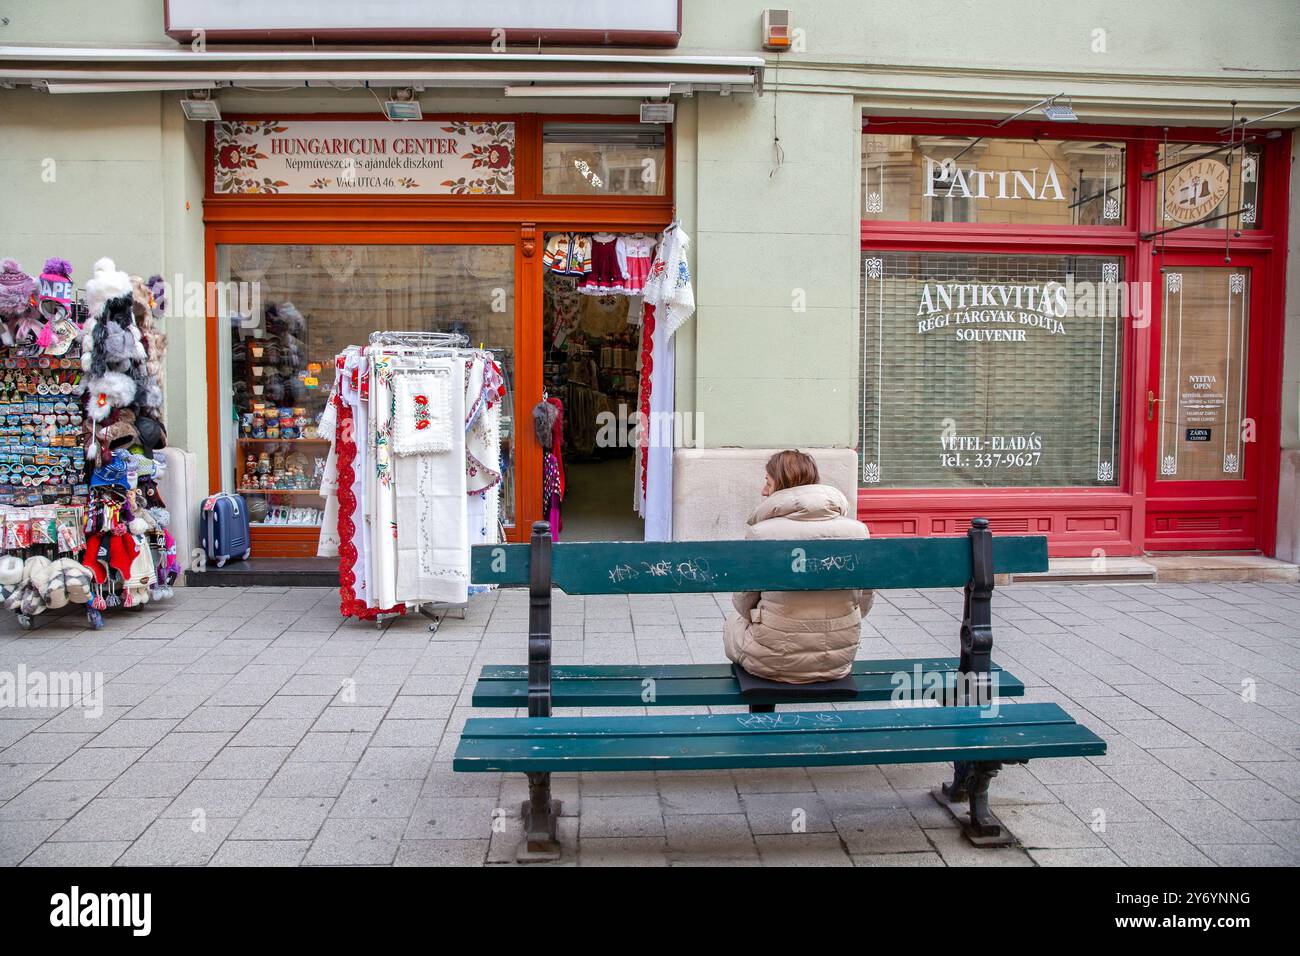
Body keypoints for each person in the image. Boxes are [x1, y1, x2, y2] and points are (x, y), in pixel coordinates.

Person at [723, 450, 873, 683]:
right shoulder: (858, 531)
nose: (764, 491)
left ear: (781, 486)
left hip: (770, 661)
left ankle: (760, 713)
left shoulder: (761, 534)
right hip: (838, 659)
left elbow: (744, 603)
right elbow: (864, 603)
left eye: (768, 483)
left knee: (734, 621)